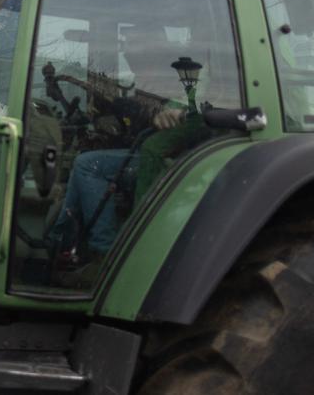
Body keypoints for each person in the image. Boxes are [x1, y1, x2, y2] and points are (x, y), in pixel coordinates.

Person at [48, 27, 212, 279]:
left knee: (87, 165)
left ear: (153, 50)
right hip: (145, 147)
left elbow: (174, 110)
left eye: (139, 49)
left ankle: (106, 254)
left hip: (172, 158)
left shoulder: (175, 78)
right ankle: (59, 240)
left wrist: (154, 112)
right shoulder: (143, 78)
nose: (133, 56)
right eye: (130, 50)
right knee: (82, 163)